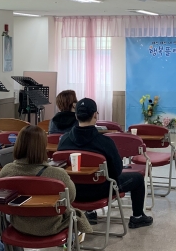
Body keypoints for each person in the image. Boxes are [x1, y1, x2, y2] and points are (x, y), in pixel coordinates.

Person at [57, 98, 153, 229]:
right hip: (99, 191)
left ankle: (90, 213)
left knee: (84, 176)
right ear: (95, 115)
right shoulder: (105, 142)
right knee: (137, 178)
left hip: (72, 191)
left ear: (76, 116)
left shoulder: (64, 140)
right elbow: (117, 170)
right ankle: (138, 217)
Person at [0, 125, 92, 236]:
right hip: (52, 226)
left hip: (19, 225)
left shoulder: (6, 171)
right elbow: (71, 197)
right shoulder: (58, 175)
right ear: (43, 147)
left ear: (18, 144)